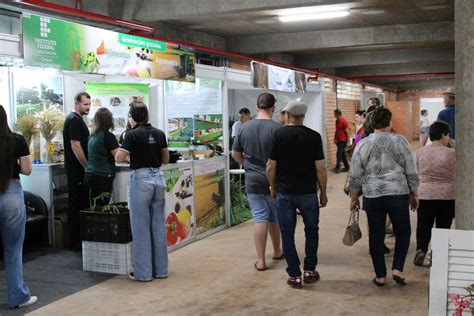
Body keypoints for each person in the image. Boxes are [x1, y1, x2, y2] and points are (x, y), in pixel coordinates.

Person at [348, 107, 419, 287]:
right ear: (390, 122)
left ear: (371, 123)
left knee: (376, 235)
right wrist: (414, 192)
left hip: (373, 196)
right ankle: (397, 269)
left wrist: (354, 197)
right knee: (403, 232)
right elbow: (411, 169)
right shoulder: (401, 142)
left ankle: (380, 275)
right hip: (398, 193)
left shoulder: (362, 144)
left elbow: (355, 174)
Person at [267, 101, 328, 289]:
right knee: (311, 231)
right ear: (303, 116)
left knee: (287, 233)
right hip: (308, 193)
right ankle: (309, 270)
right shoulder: (314, 137)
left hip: (285, 193)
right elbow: (320, 169)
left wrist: (272, 187)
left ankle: (294, 275)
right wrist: (323, 192)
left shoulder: (278, 135)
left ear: (287, 115)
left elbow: (270, 166)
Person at [115, 102, 170, 282]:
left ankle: (143, 273)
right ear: (147, 115)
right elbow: (166, 159)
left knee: (140, 227)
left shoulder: (131, 135)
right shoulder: (160, 133)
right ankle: (161, 270)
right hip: (158, 179)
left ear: (131, 117)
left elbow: (118, 157)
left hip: (140, 180)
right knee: (158, 226)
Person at [231, 93, 283, 271]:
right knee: (274, 217)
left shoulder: (244, 128)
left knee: (260, 216)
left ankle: (261, 261)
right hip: (274, 181)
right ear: (273, 108)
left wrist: (247, 165)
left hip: (253, 180)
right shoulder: (278, 129)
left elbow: (235, 153)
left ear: (256, 107)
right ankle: (277, 251)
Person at [0, 105, 37, 309]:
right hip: (11, 195)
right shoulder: (17, 139)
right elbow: (28, 170)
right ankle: (18, 297)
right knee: (13, 250)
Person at [414, 121, 455, 266]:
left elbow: (414, 173)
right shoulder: (452, 153)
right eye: (448, 135)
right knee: (443, 226)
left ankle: (421, 250)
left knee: (424, 224)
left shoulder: (420, 152)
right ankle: (437, 255)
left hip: (425, 194)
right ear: (443, 135)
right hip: (447, 195)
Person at [63, 92, 91, 248]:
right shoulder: (74, 120)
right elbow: (75, 145)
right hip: (76, 171)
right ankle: (75, 242)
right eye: (85, 104)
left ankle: (78, 240)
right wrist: (86, 166)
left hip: (78, 170)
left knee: (80, 203)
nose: (88, 107)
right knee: (76, 204)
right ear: (76, 103)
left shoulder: (78, 120)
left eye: (89, 104)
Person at [84, 108, 119, 206]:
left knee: (91, 208)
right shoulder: (108, 136)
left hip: (89, 175)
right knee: (101, 209)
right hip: (102, 177)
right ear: (109, 121)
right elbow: (119, 157)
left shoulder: (92, 137)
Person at [331, 109, 350, 173]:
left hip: (343, 140)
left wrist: (348, 141)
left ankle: (337, 168)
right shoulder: (337, 121)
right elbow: (337, 130)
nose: (334, 115)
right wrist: (335, 138)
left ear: (337, 114)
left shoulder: (344, 121)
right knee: (342, 154)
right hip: (338, 140)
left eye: (334, 114)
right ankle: (347, 167)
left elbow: (347, 132)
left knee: (338, 154)